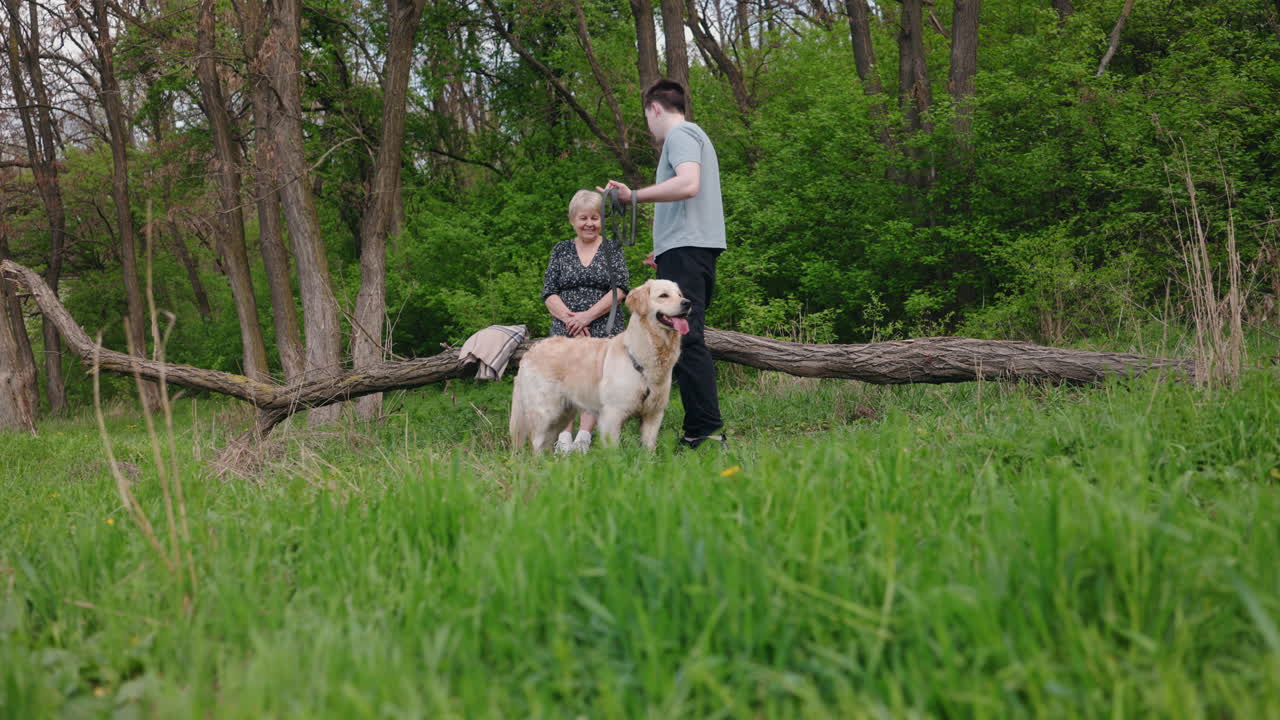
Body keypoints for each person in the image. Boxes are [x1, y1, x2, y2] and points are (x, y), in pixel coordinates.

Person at [598, 79, 727, 451]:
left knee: (687, 338)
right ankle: (699, 430)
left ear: (655, 109)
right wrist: (664, 250)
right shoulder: (694, 136)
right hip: (686, 248)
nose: (649, 127)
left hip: (688, 249)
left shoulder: (681, 134)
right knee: (684, 338)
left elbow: (688, 184)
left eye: (647, 117)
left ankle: (705, 433)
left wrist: (632, 196)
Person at [540, 189, 630, 454]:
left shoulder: (612, 248)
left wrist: (587, 317)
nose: (589, 223)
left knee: (594, 381)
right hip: (565, 324)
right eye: (583, 218)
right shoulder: (561, 249)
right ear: (573, 220)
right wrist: (571, 320)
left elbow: (621, 289)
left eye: (595, 217)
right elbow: (549, 292)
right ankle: (563, 439)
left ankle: (583, 438)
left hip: (603, 324)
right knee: (564, 380)